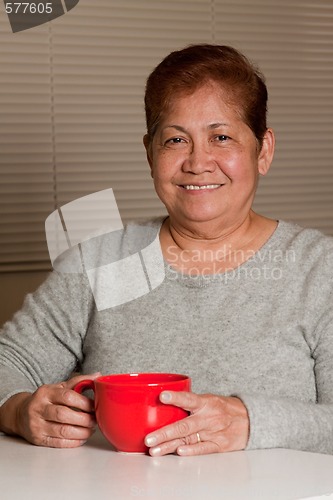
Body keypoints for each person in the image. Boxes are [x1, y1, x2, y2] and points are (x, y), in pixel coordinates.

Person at [1, 44, 333, 456]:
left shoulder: (320, 271)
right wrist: (18, 411)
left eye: (221, 137)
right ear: (149, 153)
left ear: (263, 151)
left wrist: (252, 422)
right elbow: (8, 366)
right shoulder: (98, 263)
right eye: (176, 140)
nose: (198, 162)